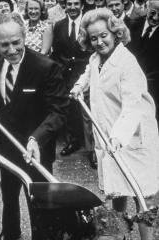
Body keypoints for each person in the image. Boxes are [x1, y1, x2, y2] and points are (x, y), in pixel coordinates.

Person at [70, 8, 159, 240]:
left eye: (104, 35)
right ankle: (118, 235)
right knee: (117, 191)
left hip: (134, 138)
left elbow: (132, 107)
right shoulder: (95, 58)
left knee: (143, 196)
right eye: (93, 38)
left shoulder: (127, 64)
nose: (99, 42)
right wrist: (80, 86)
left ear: (116, 33)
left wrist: (119, 136)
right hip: (109, 137)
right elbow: (89, 72)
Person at [0, 12, 68, 240]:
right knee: (8, 195)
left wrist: (36, 138)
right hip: (7, 146)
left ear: (24, 36)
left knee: (37, 201)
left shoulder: (46, 67)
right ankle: (10, 233)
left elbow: (58, 111)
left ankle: (42, 236)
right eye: (4, 44)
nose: (11, 50)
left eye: (16, 43)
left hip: (36, 150)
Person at [51, 0, 96, 168]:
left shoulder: (88, 24)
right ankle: (73, 141)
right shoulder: (59, 25)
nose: (72, 7)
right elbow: (56, 51)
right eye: (69, 4)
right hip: (65, 75)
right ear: (65, 6)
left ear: (81, 6)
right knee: (69, 111)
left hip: (84, 74)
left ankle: (92, 150)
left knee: (86, 113)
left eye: (76, 3)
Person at [126, 0, 159, 122]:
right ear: (147, 7)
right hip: (129, 88)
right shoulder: (132, 25)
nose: (155, 18)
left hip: (153, 93)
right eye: (153, 12)